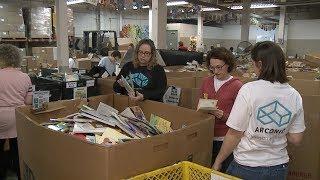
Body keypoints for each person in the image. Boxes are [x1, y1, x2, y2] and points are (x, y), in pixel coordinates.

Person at [213, 41, 305, 179]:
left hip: (247, 166)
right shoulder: (294, 95)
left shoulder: (249, 90)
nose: (253, 67)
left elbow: (234, 134)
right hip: (278, 167)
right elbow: (296, 139)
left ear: (260, 64)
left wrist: (218, 161)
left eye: (253, 63)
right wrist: (274, 129)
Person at [199, 47, 243, 172]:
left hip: (226, 139)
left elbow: (240, 119)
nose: (215, 71)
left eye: (219, 67)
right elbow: (199, 104)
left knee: (224, 172)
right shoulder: (206, 82)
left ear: (228, 65)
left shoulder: (237, 86)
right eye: (212, 68)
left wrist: (223, 116)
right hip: (207, 135)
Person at [0, 44, 33, 179]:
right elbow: (28, 102)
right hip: (18, 117)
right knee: (17, 149)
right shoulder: (25, 77)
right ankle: (19, 174)